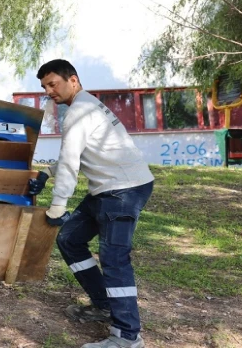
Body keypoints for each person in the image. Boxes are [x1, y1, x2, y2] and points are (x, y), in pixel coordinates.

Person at [28, 59, 154, 348]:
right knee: (70, 239)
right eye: (45, 86)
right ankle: (104, 305)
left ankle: (126, 338)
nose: (49, 91)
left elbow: (72, 163)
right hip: (109, 189)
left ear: (73, 80)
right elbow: (77, 153)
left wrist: (58, 206)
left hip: (123, 190)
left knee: (115, 259)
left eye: (53, 84)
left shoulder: (79, 112)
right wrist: (47, 172)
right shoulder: (84, 106)